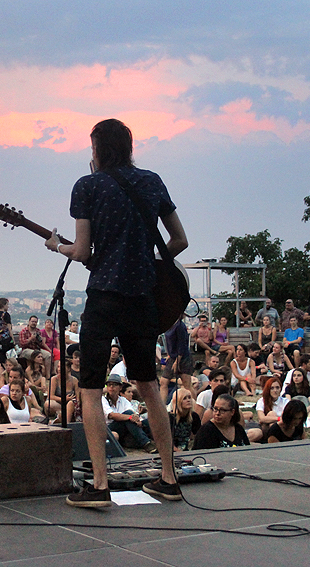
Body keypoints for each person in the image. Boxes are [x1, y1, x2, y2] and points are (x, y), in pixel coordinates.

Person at [44, 118, 188, 505]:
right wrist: (147, 262)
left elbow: (82, 252)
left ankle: (100, 487)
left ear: (98, 149)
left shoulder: (88, 186)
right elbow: (180, 240)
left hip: (105, 297)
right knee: (148, 386)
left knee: (89, 389)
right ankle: (169, 478)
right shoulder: (152, 181)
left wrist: (57, 246)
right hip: (143, 297)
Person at [102, 376, 155, 451]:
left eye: (114, 385)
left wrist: (137, 420)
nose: (111, 387)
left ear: (120, 387)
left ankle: (159, 441)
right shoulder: (103, 400)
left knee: (146, 422)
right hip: (110, 427)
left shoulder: (123, 400)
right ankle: (146, 443)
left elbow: (133, 413)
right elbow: (111, 415)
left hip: (125, 427)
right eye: (109, 385)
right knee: (128, 415)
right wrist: (130, 417)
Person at [162, 317, 194, 402]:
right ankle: (163, 407)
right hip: (172, 357)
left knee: (187, 384)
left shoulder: (180, 326)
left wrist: (177, 362)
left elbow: (182, 344)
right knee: (163, 382)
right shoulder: (169, 325)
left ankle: (194, 406)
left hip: (183, 357)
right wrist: (169, 354)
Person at [46, 358, 80, 423]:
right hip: (58, 404)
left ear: (69, 369)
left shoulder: (74, 380)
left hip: (70, 405)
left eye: (62, 367)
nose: (59, 369)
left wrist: (74, 402)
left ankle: (64, 419)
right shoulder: (54, 379)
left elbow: (78, 397)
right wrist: (63, 399)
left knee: (71, 405)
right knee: (48, 404)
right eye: (58, 367)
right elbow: (50, 396)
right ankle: (63, 415)